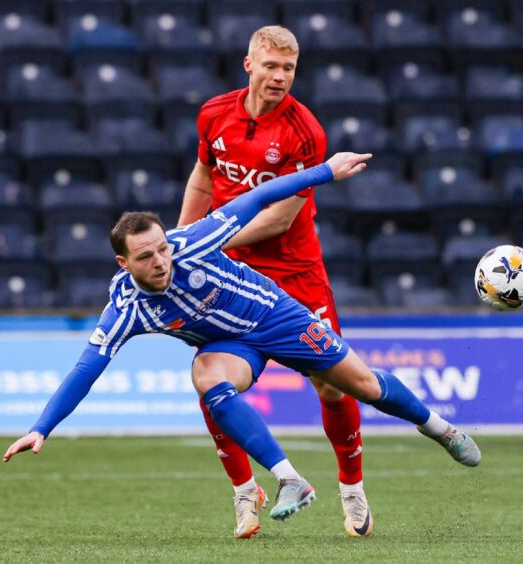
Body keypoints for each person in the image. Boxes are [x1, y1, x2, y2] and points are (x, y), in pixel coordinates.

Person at [3, 153, 482, 536]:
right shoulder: (126, 306)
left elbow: (261, 196)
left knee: (364, 387)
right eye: (146, 257)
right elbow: (87, 367)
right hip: (232, 346)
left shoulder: (192, 240)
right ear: (123, 262)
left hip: (278, 317)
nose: (161, 261)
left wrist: (327, 171)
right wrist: (42, 427)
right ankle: (289, 480)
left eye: (162, 249)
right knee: (206, 379)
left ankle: (439, 428)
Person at [177, 25, 369, 539]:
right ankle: (245, 492)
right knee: (212, 377)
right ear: (249, 65)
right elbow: (202, 177)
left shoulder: (306, 131)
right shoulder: (214, 113)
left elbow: (282, 218)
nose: (280, 76)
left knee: (333, 385)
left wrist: (208, 243)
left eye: (288, 69)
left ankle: (352, 489)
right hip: (232, 277)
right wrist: (181, 239)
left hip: (295, 274)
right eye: (271, 66)